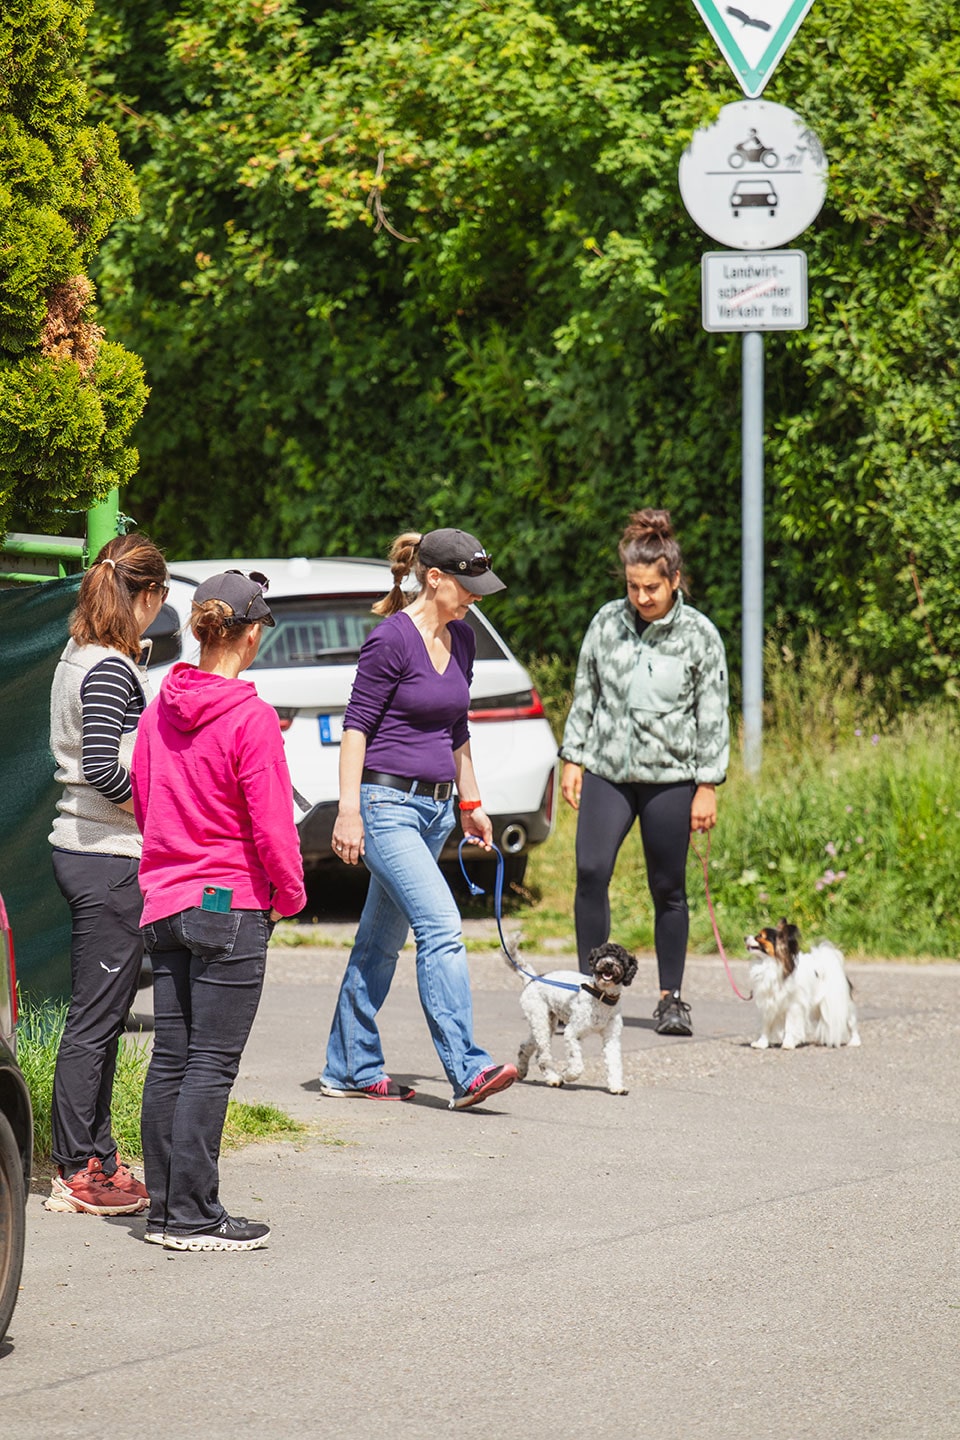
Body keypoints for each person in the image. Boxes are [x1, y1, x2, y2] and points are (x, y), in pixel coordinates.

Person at [131, 570, 306, 1251]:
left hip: (168, 900)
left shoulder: (159, 707)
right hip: (229, 901)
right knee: (211, 1062)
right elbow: (271, 826)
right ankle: (197, 1215)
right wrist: (288, 895)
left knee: (171, 1059)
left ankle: (165, 1209)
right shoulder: (249, 716)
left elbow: (145, 802)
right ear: (252, 632)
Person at [320, 528, 518, 1111]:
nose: (477, 598)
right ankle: (467, 1067)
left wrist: (471, 803)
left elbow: (457, 729)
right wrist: (348, 810)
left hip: (434, 811)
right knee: (442, 927)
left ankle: (349, 1066)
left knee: (379, 944)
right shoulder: (391, 639)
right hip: (384, 807)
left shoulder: (462, 640)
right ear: (435, 577)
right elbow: (356, 727)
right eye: (469, 586)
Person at [559, 509, 729, 1037]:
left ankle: (671, 998)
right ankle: (595, 991)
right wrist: (572, 756)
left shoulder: (700, 635)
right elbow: (585, 691)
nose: (642, 597)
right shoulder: (606, 623)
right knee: (590, 872)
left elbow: (714, 711)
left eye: (652, 587)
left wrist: (707, 784)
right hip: (608, 770)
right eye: (633, 586)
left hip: (671, 777)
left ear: (674, 580)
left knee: (667, 888)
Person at [46, 532, 169, 1217]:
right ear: (145, 595)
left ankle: (97, 1155)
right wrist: (155, 808)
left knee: (101, 1015)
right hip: (106, 856)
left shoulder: (77, 655)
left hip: (85, 850)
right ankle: (78, 1170)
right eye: (160, 600)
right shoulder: (112, 668)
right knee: (95, 1022)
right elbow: (101, 764)